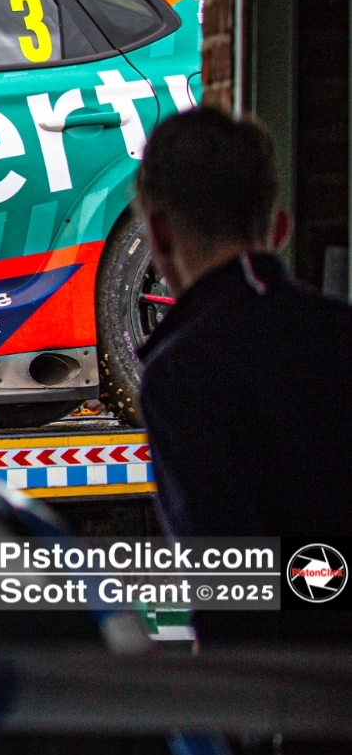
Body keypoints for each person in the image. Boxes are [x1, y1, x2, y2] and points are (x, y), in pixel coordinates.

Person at [133, 106, 351, 538]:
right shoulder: (339, 330)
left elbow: (229, 568)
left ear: (159, 231)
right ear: (280, 230)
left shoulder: (183, 372)